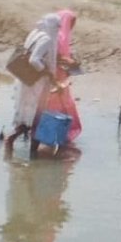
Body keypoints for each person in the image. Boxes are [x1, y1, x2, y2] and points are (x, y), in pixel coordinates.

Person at [4, 13, 63, 157]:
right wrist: (47, 73)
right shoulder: (47, 39)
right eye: (57, 27)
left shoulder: (36, 34)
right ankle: (33, 154)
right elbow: (34, 60)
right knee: (37, 116)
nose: (58, 30)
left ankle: (11, 140)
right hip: (37, 84)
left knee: (28, 115)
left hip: (27, 81)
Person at [44, 8, 83, 142]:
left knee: (61, 104)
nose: (72, 26)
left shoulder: (61, 37)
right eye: (71, 22)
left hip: (60, 75)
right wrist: (70, 62)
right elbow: (56, 56)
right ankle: (57, 135)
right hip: (55, 77)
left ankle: (59, 134)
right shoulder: (58, 38)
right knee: (57, 104)